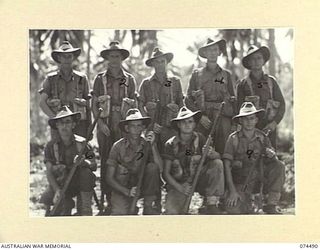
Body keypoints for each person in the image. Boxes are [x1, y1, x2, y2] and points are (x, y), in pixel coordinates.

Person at [91, 41, 137, 214]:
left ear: (122, 58)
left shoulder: (130, 79)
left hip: (124, 124)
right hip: (106, 124)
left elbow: (134, 105)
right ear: (107, 58)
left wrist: (130, 126)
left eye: (118, 56)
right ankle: (107, 200)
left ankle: (128, 199)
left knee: (126, 159)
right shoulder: (99, 79)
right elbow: (93, 103)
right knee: (106, 161)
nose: (115, 59)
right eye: (112, 56)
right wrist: (100, 123)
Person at [223, 102, 285, 214]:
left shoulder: (262, 137)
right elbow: (227, 166)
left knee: (279, 165)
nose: (249, 122)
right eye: (245, 119)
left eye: (252, 118)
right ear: (240, 121)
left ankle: (271, 203)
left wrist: (271, 155)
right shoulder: (233, 139)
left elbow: (272, 158)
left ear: (256, 120)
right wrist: (232, 191)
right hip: (241, 182)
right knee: (233, 210)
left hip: (258, 180)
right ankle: (247, 202)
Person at [162, 106, 225, 215]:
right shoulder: (170, 144)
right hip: (181, 184)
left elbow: (218, 158)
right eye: (183, 122)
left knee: (217, 163)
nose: (187, 125)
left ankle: (211, 203)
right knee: (172, 213)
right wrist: (181, 188)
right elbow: (166, 173)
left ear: (195, 124)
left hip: (199, 179)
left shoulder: (200, 139)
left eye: (190, 122)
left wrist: (212, 154)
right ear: (178, 125)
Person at [39, 106, 97, 216]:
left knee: (87, 173)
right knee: (58, 213)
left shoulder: (84, 143)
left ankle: (84, 209)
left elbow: (93, 165)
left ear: (73, 125)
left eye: (67, 122)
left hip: (79, 184)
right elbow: (49, 172)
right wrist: (57, 190)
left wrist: (84, 162)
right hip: (60, 185)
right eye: (61, 123)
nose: (64, 126)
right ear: (57, 126)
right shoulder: (50, 146)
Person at [106, 109, 163, 215]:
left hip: (142, 186)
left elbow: (160, 168)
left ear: (143, 127)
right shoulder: (117, 147)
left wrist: (153, 145)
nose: (136, 129)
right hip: (123, 188)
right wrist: (127, 192)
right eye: (133, 126)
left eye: (139, 126)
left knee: (152, 168)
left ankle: (148, 206)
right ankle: (130, 204)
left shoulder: (147, 144)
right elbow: (109, 178)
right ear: (127, 128)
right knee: (120, 214)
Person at [185, 38, 236, 155]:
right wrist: (199, 116)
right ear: (205, 54)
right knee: (200, 149)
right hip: (203, 117)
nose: (212, 53)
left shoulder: (226, 75)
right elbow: (188, 99)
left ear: (219, 52)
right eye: (209, 50)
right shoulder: (196, 74)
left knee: (224, 149)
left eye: (215, 50)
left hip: (222, 116)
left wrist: (233, 123)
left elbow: (233, 99)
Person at [39, 41, 91, 138]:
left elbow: (88, 104)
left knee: (80, 150)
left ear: (73, 58)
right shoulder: (51, 79)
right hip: (59, 126)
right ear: (59, 58)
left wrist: (89, 127)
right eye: (64, 56)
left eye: (69, 56)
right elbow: (42, 102)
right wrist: (54, 119)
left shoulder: (81, 78)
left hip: (79, 124)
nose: (67, 59)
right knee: (57, 151)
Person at [236, 45, 285, 148]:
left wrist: (274, 123)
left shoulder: (272, 82)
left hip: (269, 128)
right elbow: (239, 108)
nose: (256, 61)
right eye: (253, 59)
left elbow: (282, 105)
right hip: (250, 129)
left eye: (259, 58)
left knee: (270, 157)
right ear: (249, 63)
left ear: (263, 61)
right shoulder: (242, 84)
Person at [138, 47, 184, 153]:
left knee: (171, 156)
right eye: (157, 62)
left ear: (167, 62)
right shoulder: (146, 83)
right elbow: (140, 105)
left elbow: (181, 105)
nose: (160, 64)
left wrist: (177, 124)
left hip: (171, 128)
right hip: (152, 127)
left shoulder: (175, 82)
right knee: (151, 157)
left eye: (162, 61)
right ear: (153, 64)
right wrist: (149, 124)